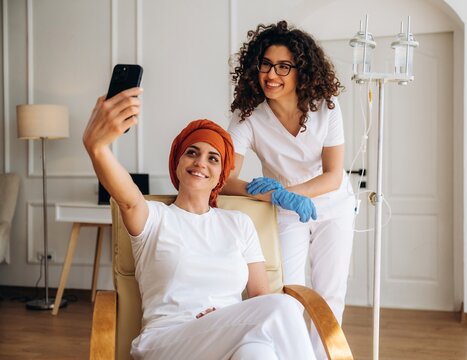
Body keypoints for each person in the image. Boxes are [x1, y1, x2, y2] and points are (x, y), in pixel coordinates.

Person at [82, 88, 316, 360]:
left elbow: (260, 297)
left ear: (221, 176)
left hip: (228, 337)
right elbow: (128, 198)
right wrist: (97, 148)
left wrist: (224, 322)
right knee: (284, 307)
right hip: (168, 341)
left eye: (212, 158)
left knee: (258, 352)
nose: (201, 163)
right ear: (177, 163)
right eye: (192, 153)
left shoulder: (239, 223)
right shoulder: (154, 216)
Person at [222, 20, 355, 357]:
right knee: (287, 291)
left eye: (283, 66)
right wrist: (267, 192)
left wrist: (293, 192)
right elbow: (225, 178)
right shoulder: (248, 114)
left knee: (330, 294)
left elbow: (333, 175)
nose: (271, 74)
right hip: (283, 209)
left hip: (333, 205)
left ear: (301, 71)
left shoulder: (325, 106)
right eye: (265, 64)